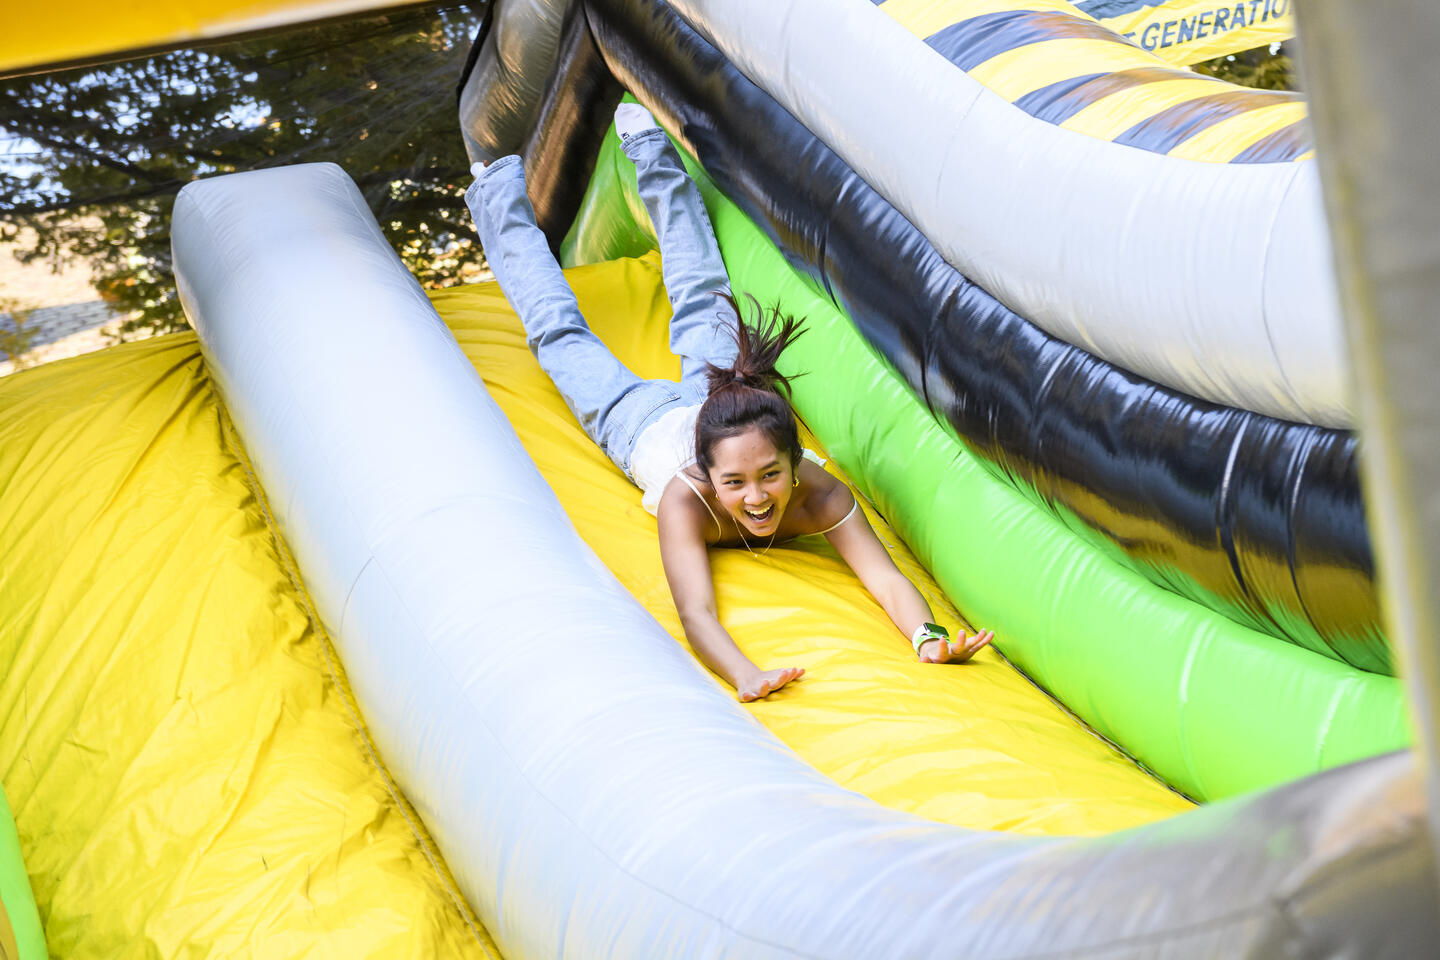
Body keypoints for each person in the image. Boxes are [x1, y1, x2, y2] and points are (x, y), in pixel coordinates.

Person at [466, 103, 992, 702]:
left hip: (722, 402)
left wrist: (929, 638)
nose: (757, 497)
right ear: (708, 478)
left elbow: (883, 577)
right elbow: (696, 614)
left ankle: (648, 146)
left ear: (799, 461)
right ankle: (496, 195)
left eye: (771, 475)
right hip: (639, 424)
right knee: (560, 335)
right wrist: (747, 675)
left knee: (703, 295)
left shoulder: (821, 494)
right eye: (735, 484)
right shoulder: (688, 502)